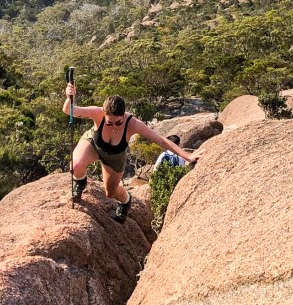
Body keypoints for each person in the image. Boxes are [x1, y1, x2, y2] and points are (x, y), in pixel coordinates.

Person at [63, 83, 196, 222]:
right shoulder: (97, 113)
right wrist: (69, 97)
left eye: (118, 123)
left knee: (111, 192)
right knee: (75, 165)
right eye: (109, 123)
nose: (114, 126)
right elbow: (68, 110)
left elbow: (161, 141)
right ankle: (80, 182)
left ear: (124, 115)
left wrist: (188, 156)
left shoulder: (133, 124)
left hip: (115, 156)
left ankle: (126, 201)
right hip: (94, 145)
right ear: (103, 113)